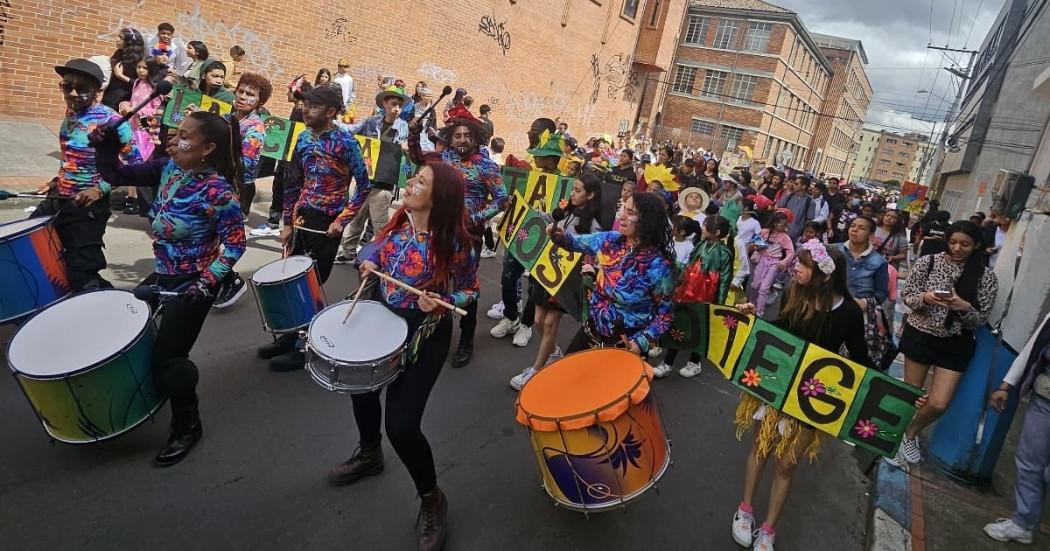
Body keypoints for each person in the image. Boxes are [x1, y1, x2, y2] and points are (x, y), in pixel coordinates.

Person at [331, 163, 478, 551]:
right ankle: (369, 453)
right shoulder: (399, 222)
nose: (411, 183)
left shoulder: (457, 242)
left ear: (440, 196)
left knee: (402, 425)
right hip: (381, 317)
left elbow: (470, 292)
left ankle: (432, 498)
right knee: (360, 389)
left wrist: (443, 300)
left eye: (421, 182)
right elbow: (372, 248)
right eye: (414, 178)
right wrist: (369, 261)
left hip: (423, 334)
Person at [96, 110, 246, 466]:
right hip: (163, 274)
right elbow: (114, 173)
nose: (173, 140)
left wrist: (206, 282)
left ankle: (187, 425)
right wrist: (106, 146)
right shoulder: (166, 168)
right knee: (128, 326)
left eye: (184, 136)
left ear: (207, 148)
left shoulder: (219, 192)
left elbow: (236, 246)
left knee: (171, 357)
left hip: (193, 283)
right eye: (175, 133)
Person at [732, 242, 870, 551]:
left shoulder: (848, 314)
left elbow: (862, 362)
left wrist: (899, 397)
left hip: (812, 399)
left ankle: (768, 528)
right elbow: (780, 331)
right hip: (777, 386)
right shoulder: (793, 294)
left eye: (805, 265)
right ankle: (745, 509)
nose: (796, 267)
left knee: (787, 464)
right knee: (760, 447)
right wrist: (754, 318)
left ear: (825, 276)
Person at [257, 86, 372, 371]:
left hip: (327, 221)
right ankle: (286, 337)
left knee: (310, 284)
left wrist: (341, 221)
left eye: (313, 106)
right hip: (303, 218)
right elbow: (292, 183)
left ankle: (304, 345)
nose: (306, 111)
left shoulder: (346, 144)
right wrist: (286, 222)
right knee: (290, 279)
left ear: (331, 112)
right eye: (305, 105)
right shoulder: (303, 139)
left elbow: (363, 187)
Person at [891, 221, 999, 468]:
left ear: (977, 245)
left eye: (965, 244)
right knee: (911, 394)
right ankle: (895, 440)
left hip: (956, 341)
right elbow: (908, 297)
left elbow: (979, 320)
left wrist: (964, 308)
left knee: (939, 402)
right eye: (953, 242)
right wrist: (926, 298)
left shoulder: (985, 277)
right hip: (921, 333)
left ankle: (912, 432)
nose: (958, 248)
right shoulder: (928, 262)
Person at [408, 110, 507, 367]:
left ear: (476, 139)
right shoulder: (444, 160)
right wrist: (414, 132)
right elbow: (417, 157)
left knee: (466, 286)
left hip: (468, 235)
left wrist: (474, 218)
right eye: (457, 135)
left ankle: (466, 340)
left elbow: (502, 199)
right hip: (438, 230)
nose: (462, 139)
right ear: (450, 140)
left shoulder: (487, 167)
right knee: (435, 278)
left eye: (467, 135)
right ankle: (432, 331)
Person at [33, 59, 141, 291]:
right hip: (59, 197)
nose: (72, 93)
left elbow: (135, 165)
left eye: (81, 88)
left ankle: (110, 310)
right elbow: (72, 158)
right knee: (33, 245)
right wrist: (56, 180)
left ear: (97, 92)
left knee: (82, 273)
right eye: (67, 86)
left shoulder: (112, 122)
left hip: (88, 208)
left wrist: (99, 189)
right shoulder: (71, 114)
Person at [548, 192, 675, 355]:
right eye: (623, 208)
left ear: (647, 220)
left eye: (630, 212)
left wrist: (642, 341)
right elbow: (574, 242)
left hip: (626, 345)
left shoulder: (658, 267)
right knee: (568, 375)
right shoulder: (610, 240)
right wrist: (560, 236)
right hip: (592, 331)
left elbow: (665, 315)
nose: (621, 216)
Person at [509, 173, 603, 390]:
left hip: (566, 280)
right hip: (546, 272)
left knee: (550, 323)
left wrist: (593, 267)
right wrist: (529, 212)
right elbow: (549, 219)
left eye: (578, 191)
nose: (573, 194)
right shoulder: (565, 211)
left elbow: (596, 250)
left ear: (591, 195)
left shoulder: (593, 225)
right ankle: (553, 352)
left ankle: (536, 370)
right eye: (573, 189)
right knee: (538, 321)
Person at [485, 119, 560, 352]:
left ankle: (526, 325)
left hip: (545, 239)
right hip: (521, 232)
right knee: (509, 276)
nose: (536, 159)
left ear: (551, 159)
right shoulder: (529, 173)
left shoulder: (564, 181)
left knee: (535, 286)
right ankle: (510, 317)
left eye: (540, 156)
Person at [983, 312, 1050, 545]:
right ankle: (1023, 523)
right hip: (1045, 400)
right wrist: (1006, 385)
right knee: (1030, 463)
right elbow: (1032, 350)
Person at [212, 73, 272, 309]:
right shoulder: (229, 117)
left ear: (259, 102)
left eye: (251, 94)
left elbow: (243, 163)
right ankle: (220, 279)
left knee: (215, 237)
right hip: (215, 183)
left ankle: (231, 281)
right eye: (241, 91)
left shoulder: (255, 127)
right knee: (207, 237)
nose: (243, 97)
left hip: (234, 188)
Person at [654, 215, 734, 378]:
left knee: (700, 329)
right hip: (687, 292)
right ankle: (667, 363)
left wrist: (718, 305)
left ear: (716, 232)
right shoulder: (701, 245)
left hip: (706, 297)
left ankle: (694, 362)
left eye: (706, 226)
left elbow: (725, 280)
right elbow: (689, 266)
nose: (702, 228)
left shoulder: (724, 253)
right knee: (678, 325)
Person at [337, 85, 410, 263]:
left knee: (380, 224)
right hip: (366, 180)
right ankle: (348, 252)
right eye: (393, 104)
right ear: (384, 103)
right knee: (356, 219)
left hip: (385, 183)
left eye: (399, 106)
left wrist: (406, 148)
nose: (397, 109)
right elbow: (351, 130)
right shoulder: (371, 122)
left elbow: (412, 150)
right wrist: (331, 121)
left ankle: (383, 257)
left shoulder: (404, 127)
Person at [116, 57, 167, 215]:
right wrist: (125, 106)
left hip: (146, 127)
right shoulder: (137, 82)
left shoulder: (156, 87)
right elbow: (132, 101)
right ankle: (132, 197)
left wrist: (135, 110)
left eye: (144, 68)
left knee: (141, 161)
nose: (141, 71)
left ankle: (141, 201)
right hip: (132, 125)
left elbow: (156, 110)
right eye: (139, 67)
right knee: (130, 161)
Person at [837, 216, 890, 367]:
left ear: (871, 235)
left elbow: (881, 293)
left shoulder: (879, 262)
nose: (855, 229)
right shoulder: (834, 250)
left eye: (861, 228)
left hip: (859, 317)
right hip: (832, 311)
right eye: (853, 225)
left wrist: (866, 302)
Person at [747, 212, 795, 319]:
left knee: (764, 288)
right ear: (774, 224)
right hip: (762, 260)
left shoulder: (785, 238)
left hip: (774, 263)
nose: (785, 227)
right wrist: (756, 246)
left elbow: (791, 252)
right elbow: (753, 243)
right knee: (755, 285)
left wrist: (784, 262)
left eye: (786, 225)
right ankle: (751, 303)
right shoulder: (764, 232)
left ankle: (759, 312)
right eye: (782, 225)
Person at [102, 28, 146, 111]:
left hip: (123, 99)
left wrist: (121, 76)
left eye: (121, 38)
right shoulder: (119, 53)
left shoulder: (139, 61)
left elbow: (142, 85)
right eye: (118, 36)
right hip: (109, 94)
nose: (117, 39)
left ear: (129, 42)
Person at [776, 175, 815, 241]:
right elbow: (780, 206)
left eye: (796, 184)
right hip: (781, 229)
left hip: (796, 234)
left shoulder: (810, 201)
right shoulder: (789, 195)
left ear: (803, 186)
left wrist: (804, 235)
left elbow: (809, 220)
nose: (794, 185)